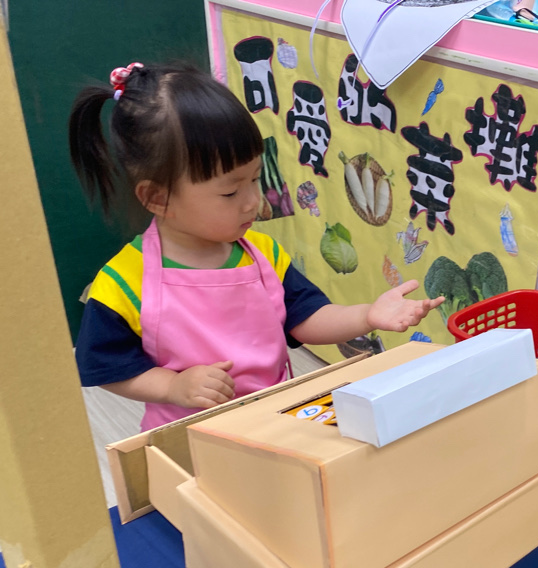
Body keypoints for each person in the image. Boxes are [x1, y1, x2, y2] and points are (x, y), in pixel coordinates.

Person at [70, 62, 443, 430]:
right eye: (230, 191)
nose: (253, 201)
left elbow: (306, 319)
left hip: (279, 421)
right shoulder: (122, 283)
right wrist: (173, 387)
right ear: (156, 197)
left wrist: (367, 316)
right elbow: (109, 368)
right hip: (192, 439)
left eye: (255, 179)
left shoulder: (263, 253)